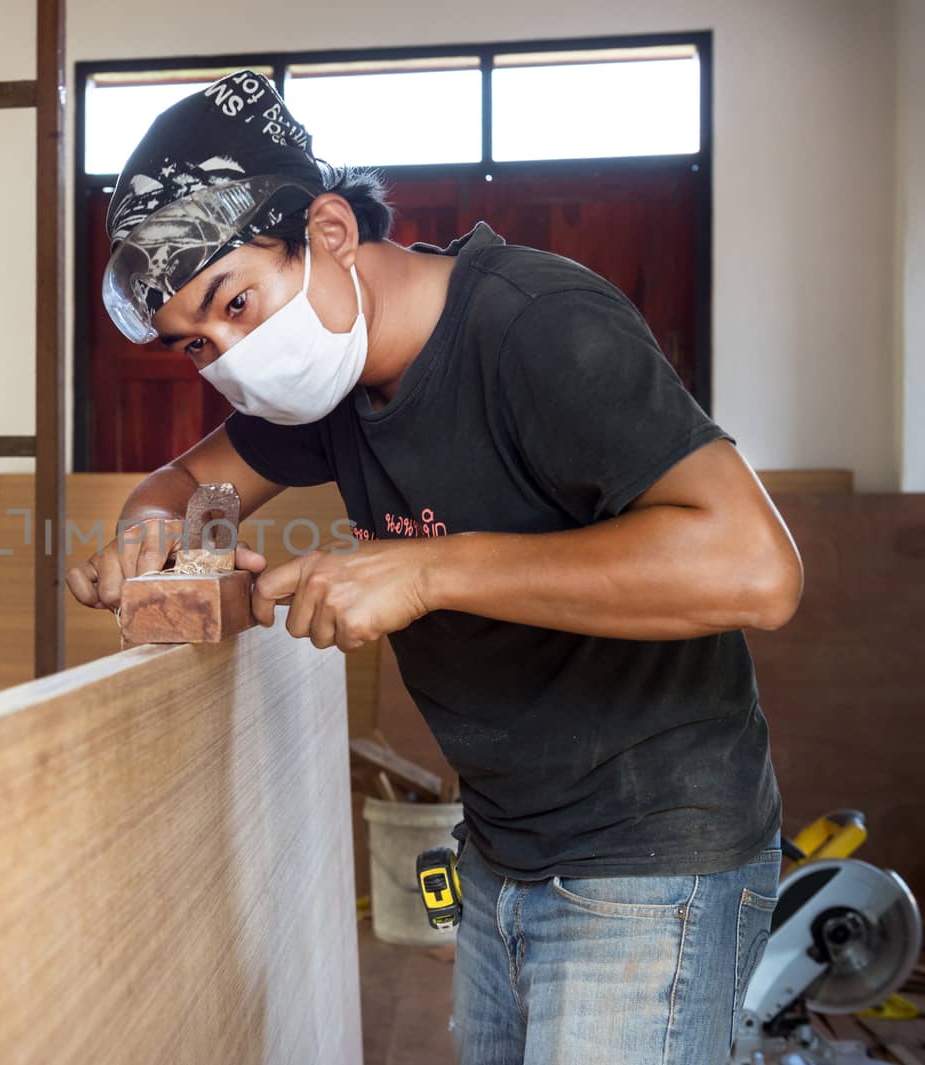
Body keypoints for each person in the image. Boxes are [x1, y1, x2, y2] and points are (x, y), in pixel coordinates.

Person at [66, 70, 801, 1064]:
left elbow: (754, 567)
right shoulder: (323, 388)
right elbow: (181, 486)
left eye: (237, 302)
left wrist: (424, 571)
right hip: (502, 845)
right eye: (199, 344)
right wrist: (159, 541)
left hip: (652, 846)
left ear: (327, 231)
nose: (231, 357)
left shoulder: (535, 327)